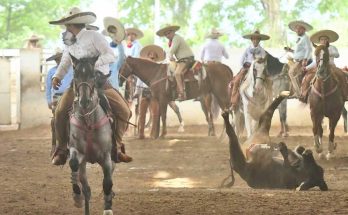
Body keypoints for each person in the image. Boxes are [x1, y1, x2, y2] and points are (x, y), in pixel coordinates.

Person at [49, 7, 132, 165]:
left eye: (67, 25)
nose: (66, 28)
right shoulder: (70, 42)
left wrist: (92, 64)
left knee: (124, 111)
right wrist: (57, 76)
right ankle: (61, 149)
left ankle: (117, 146)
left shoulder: (95, 36)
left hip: (100, 82)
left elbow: (110, 55)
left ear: (72, 25)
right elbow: (66, 61)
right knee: (60, 111)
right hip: (79, 84)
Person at [300, 29, 348, 102]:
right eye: (322, 39)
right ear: (320, 41)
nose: (324, 41)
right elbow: (315, 62)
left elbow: (337, 55)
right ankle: (304, 94)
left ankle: (345, 94)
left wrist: (329, 53)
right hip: (319, 66)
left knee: (341, 75)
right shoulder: (318, 49)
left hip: (331, 66)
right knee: (308, 77)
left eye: (326, 39)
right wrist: (307, 67)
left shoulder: (332, 47)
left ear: (328, 40)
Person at [230, 30, 269, 109]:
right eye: (254, 39)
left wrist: (260, 65)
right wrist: (244, 66)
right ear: (251, 40)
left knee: (269, 81)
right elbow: (242, 60)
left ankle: (269, 101)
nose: (255, 40)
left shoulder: (262, 51)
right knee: (236, 80)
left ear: (259, 40)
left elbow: (265, 62)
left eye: (257, 39)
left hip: (258, 69)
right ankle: (234, 102)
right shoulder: (247, 49)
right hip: (247, 68)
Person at [45, 48, 73, 155]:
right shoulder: (52, 71)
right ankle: (55, 144)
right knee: (55, 120)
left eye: (59, 58)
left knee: (74, 118)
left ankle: (73, 144)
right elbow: (48, 87)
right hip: (56, 97)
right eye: (56, 59)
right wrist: (48, 100)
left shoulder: (71, 69)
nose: (57, 61)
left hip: (70, 95)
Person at [156, 25, 195, 101]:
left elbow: (172, 50)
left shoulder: (176, 38)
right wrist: (170, 56)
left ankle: (182, 93)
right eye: (166, 34)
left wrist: (170, 56)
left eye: (169, 33)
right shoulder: (172, 40)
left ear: (173, 32)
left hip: (186, 59)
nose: (167, 35)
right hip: (181, 60)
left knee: (177, 73)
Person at [285, 20, 313, 98]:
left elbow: (309, 49)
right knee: (293, 73)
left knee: (291, 72)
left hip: (302, 61)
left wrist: (305, 59)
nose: (297, 30)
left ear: (304, 30)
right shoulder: (299, 39)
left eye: (300, 29)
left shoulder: (306, 38)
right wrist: (290, 50)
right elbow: (300, 52)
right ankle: (297, 91)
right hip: (298, 60)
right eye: (297, 28)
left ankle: (298, 93)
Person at [103, 17, 126, 89]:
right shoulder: (100, 65)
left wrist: (119, 42)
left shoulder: (115, 65)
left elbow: (122, 56)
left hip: (114, 90)